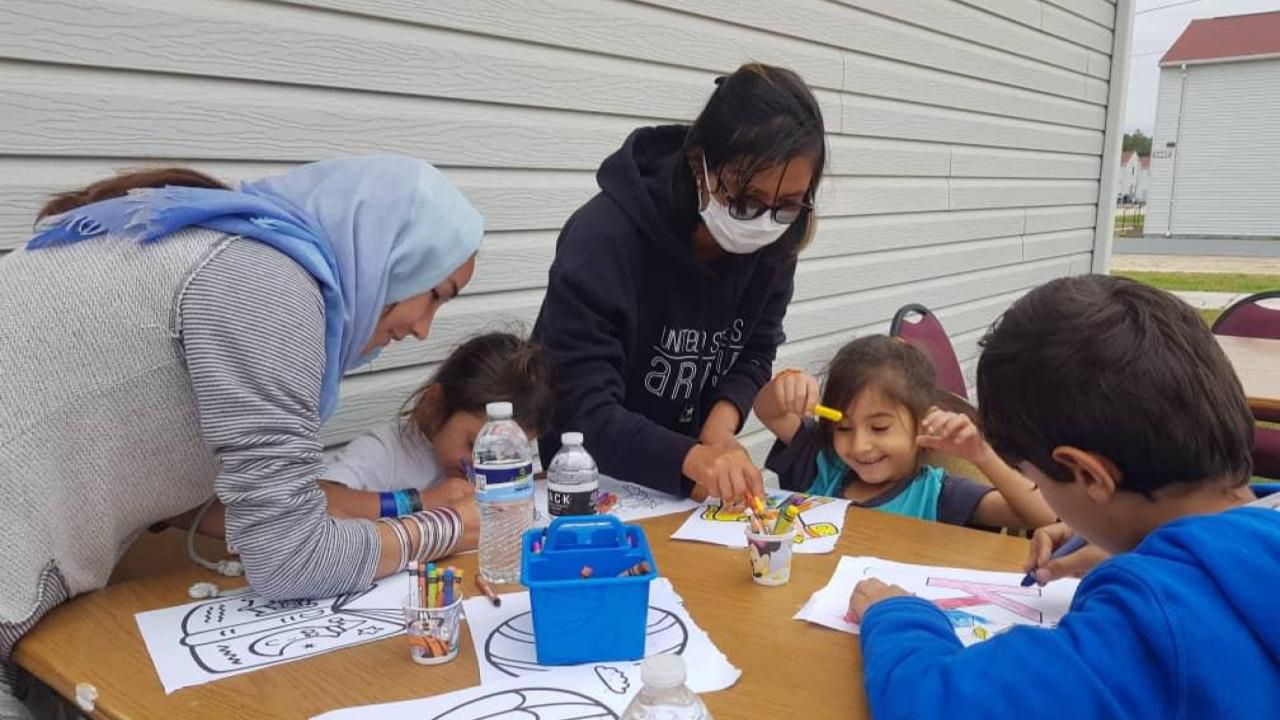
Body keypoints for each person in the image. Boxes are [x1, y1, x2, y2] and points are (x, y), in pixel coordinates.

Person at [0, 157, 482, 717]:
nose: (424, 328)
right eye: (436, 294)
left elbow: (236, 510)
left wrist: (393, 512)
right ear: (391, 252)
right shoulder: (268, 286)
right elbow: (287, 561)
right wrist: (444, 527)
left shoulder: (234, 248)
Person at [847, 275, 1277, 719]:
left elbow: (936, 704)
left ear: (1088, 475)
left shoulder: (1147, 626)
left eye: (1036, 480)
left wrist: (896, 616)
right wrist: (1144, 552)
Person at [532, 63, 826, 506]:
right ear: (699, 165)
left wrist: (719, 430)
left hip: (686, 489)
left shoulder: (776, 241)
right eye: (745, 201)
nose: (764, 222)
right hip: (589, 484)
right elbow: (582, 410)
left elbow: (754, 350)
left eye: (786, 206)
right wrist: (695, 457)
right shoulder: (604, 238)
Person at [756, 336, 1055, 530]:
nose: (860, 445)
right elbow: (768, 411)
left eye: (880, 427)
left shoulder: (938, 495)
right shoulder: (823, 465)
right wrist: (785, 384)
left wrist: (982, 455)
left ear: (922, 425)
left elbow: (1040, 516)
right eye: (843, 428)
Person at [324, 332, 554, 502]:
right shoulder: (382, 453)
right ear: (434, 403)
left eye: (507, 456)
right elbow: (320, 503)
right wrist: (420, 502)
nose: (485, 467)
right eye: (474, 445)